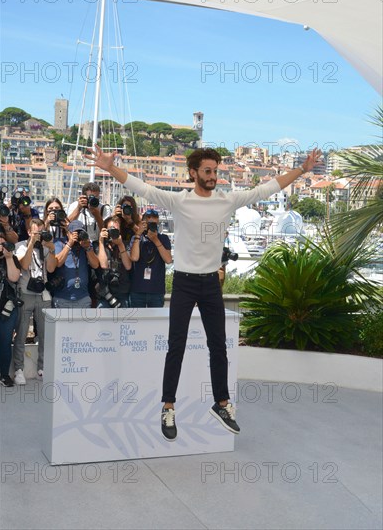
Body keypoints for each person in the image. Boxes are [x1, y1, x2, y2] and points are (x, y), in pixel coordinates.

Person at [87, 145, 321, 441]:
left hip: (211, 283)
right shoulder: (179, 200)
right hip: (184, 281)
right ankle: (168, 406)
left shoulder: (227, 200)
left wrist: (302, 169)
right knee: (176, 346)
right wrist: (110, 168)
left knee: (218, 346)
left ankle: (221, 403)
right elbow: (140, 186)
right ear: (193, 173)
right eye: (207, 171)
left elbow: (268, 188)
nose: (213, 176)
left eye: (215, 171)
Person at [13, 218, 57, 384]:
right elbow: (24, 265)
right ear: (30, 232)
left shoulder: (45, 246)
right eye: (36, 232)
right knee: (22, 332)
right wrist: (31, 243)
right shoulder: (20, 246)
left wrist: (51, 250)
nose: (39, 235)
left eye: (41, 231)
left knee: (45, 334)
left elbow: (51, 268)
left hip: (43, 294)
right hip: (25, 293)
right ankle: (19, 369)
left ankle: (43, 367)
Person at [129, 209, 172, 307]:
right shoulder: (136, 238)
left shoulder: (163, 238)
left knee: (156, 322)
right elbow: (134, 258)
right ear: (143, 224)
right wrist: (138, 235)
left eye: (154, 224)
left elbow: (168, 260)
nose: (152, 227)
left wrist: (155, 240)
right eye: (149, 224)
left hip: (156, 290)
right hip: (138, 289)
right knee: (137, 321)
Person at [53, 220, 99, 308]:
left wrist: (88, 248)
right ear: (68, 233)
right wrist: (69, 244)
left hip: (83, 297)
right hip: (62, 297)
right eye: (75, 233)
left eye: (80, 233)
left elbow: (95, 265)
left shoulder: (85, 244)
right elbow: (58, 263)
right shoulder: (59, 243)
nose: (77, 236)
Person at [0, 228, 21, 387]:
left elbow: (13, 278)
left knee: (5, 342)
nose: (1, 246)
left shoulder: (12, 258)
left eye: (3, 243)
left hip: (7, 308)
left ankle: (4, 374)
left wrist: (8, 257)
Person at [97, 216, 132, 308]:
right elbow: (103, 265)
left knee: (125, 322)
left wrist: (120, 245)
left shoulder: (125, 244)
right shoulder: (100, 246)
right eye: (111, 229)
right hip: (105, 292)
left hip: (122, 291)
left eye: (116, 230)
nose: (113, 232)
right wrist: (101, 241)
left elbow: (128, 266)